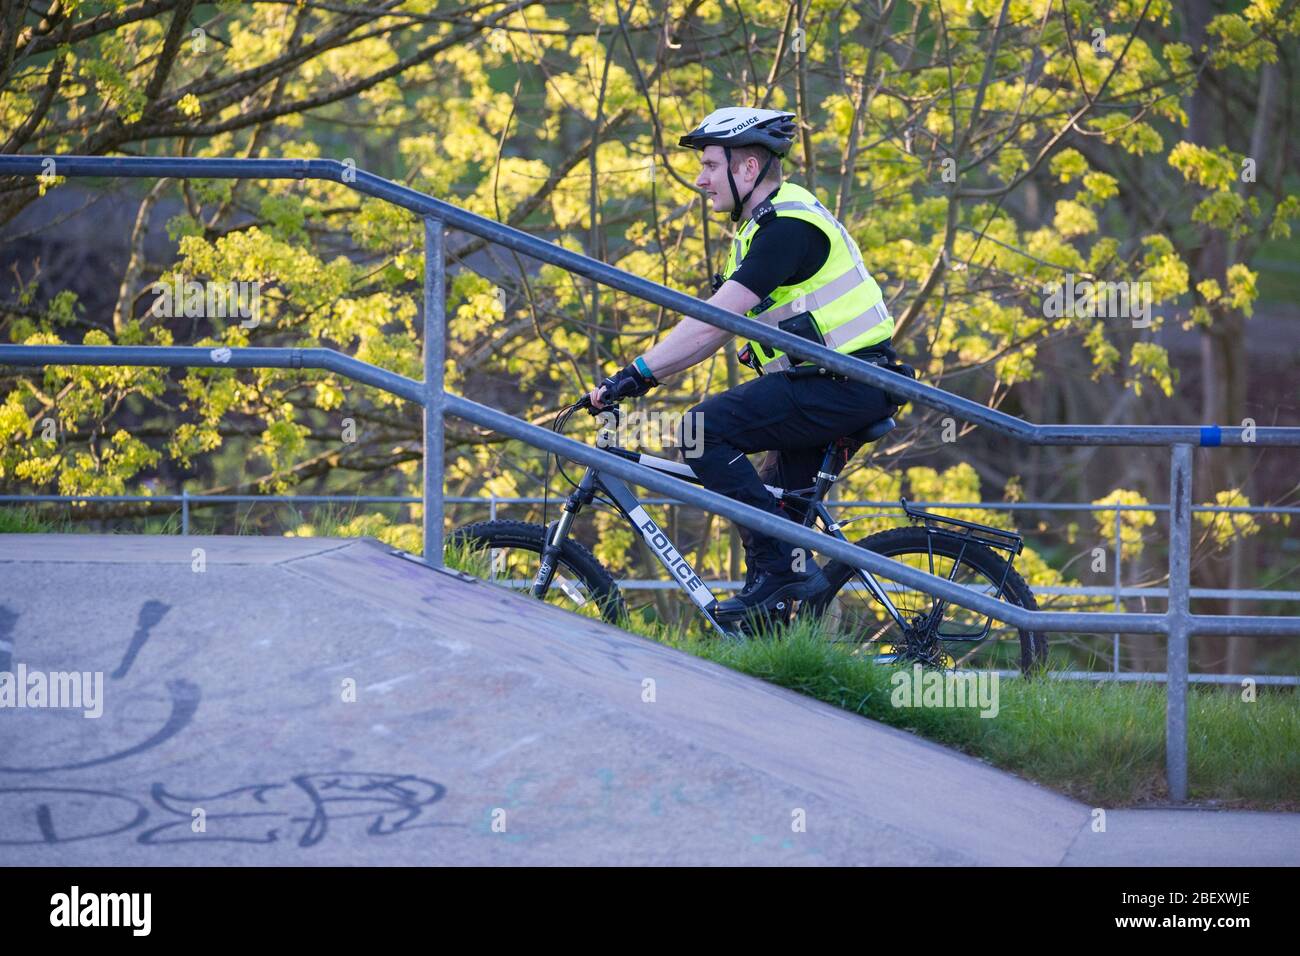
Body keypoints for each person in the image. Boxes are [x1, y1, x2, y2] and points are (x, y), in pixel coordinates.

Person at [587, 105, 901, 626]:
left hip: (843, 384)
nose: (700, 179)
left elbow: (709, 323)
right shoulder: (761, 228)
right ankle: (777, 624)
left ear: (747, 168)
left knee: (699, 433)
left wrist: (636, 374)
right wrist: (637, 378)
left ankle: (776, 571)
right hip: (831, 385)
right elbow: (713, 334)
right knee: (772, 511)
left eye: (710, 165)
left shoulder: (786, 229)